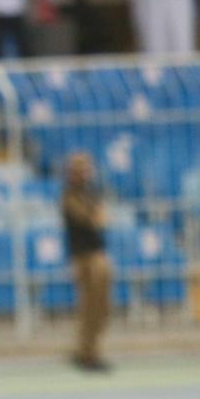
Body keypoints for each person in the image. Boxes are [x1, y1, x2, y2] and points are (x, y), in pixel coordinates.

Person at [62, 152, 111, 372]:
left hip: (97, 255)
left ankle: (90, 350)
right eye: (81, 169)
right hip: (83, 257)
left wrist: (98, 216)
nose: (86, 173)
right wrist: (96, 215)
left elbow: (103, 219)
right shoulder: (69, 195)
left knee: (100, 307)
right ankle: (86, 353)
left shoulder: (91, 193)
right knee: (88, 307)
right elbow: (91, 219)